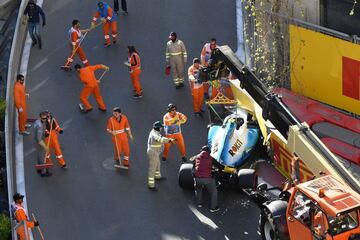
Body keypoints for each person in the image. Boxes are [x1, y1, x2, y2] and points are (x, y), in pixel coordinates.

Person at [147, 121, 175, 191]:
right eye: (160, 127)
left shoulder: (155, 132)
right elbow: (161, 139)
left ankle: (157, 176)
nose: (161, 128)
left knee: (158, 164)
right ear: (158, 128)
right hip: (153, 152)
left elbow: (161, 137)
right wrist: (169, 140)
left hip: (155, 152)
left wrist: (170, 140)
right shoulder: (154, 134)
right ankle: (151, 185)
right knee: (152, 168)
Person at [192, 145, 219, 212]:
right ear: (209, 152)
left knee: (198, 189)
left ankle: (199, 204)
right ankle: (213, 208)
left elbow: (192, 162)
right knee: (213, 192)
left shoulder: (196, 157)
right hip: (207, 179)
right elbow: (220, 167)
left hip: (197, 178)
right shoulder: (211, 158)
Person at [33, 111, 52, 177]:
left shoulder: (37, 121)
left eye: (45, 118)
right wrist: (45, 147)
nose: (44, 120)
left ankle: (39, 169)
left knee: (39, 156)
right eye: (43, 118)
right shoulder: (40, 127)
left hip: (36, 140)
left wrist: (48, 116)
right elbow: (39, 140)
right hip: (39, 143)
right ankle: (43, 172)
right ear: (40, 118)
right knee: (42, 157)